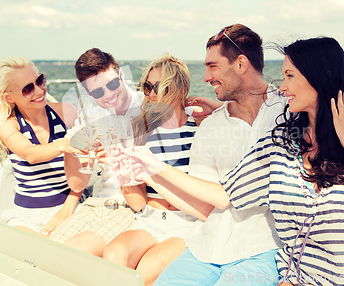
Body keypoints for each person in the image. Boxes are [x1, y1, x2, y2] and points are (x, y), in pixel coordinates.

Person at [221, 37, 344, 285]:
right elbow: (225, 195)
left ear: (318, 77)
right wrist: (157, 169)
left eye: (290, 76)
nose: (282, 87)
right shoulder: (281, 142)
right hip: (302, 278)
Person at [120, 24, 287, 285]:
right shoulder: (210, 125)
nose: (206, 77)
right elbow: (202, 207)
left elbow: (225, 196)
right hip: (205, 249)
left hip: (263, 249)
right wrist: (145, 173)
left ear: (241, 63)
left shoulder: (289, 111)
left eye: (213, 66)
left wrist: (153, 166)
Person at [102, 54, 200, 285]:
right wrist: (121, 167)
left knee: (145, 273)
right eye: (147, 87)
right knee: (113, 256)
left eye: (159, 87)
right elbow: (137, 202)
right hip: (150, 219)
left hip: (186, 223)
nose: (151, 94)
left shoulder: (201, 127)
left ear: (181, 89)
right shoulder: (139, 130)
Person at [48, 48, 142, 255]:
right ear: (88, 93)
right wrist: (73, 147)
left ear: (121, 75)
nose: (108, 94)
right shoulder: (90, 116)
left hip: (133, 204)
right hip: (96, 201)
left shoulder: (147, 106)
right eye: (98, 92)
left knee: (73, 252)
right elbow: (76, 182)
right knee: (48, 248)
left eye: (113, 84)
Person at [0, 56, 84, 235]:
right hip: (25, 216)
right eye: (27, 89)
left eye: (39, 81)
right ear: (9, 97)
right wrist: (65, 144)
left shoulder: (66, 112)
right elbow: (30, 154)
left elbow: (83, 170)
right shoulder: (8, 125)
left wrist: (66, 210)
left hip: (70, 206)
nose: (39, 90)